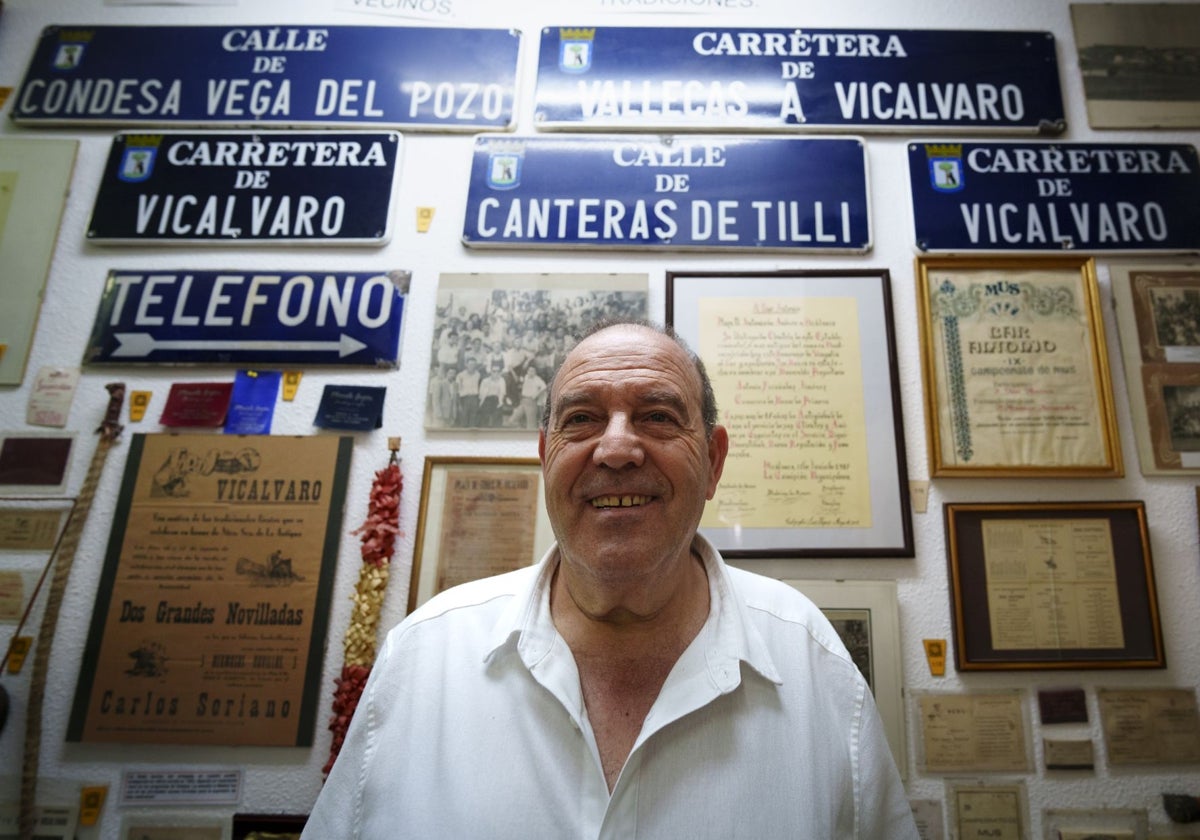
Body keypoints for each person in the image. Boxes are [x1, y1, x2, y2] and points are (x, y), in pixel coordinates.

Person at [304, 319, 918, 839]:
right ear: (546, 456)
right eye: (582, 419)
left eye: (656, 416)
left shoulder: (812, 662)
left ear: (714, 462)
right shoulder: (424, 655)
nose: (618, 449)